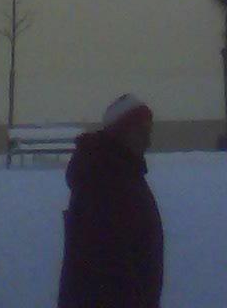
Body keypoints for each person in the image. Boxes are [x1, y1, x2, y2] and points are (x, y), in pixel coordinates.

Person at [57, 93, 164, 308]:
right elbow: (106, 262)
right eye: (141, 132)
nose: (148, 141)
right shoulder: (104, 179)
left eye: (148, 132)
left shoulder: (123, 172)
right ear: (121, 134)